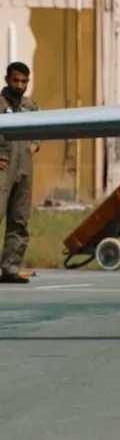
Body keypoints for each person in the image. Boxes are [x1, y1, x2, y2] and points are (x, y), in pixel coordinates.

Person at [0, 62, 39, 284]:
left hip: (24, 167)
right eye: (16, 80)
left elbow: (44, 126)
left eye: (24, 81)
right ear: (7, 80)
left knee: (20, 218)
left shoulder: (30, 106)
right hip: (3, 167)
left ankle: (11, 267)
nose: (20, 85)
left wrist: (36, 143)